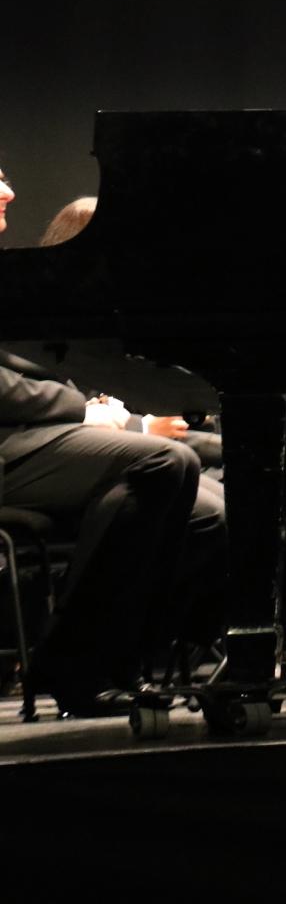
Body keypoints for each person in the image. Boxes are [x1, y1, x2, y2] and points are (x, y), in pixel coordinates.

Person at [1, 165, 225, 715]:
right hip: (12, 446)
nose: (9, 190)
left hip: (44, 442)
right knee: (164, 461)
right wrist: (82, 409)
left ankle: (122, 662)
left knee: (209, 512)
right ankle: (72, 661)